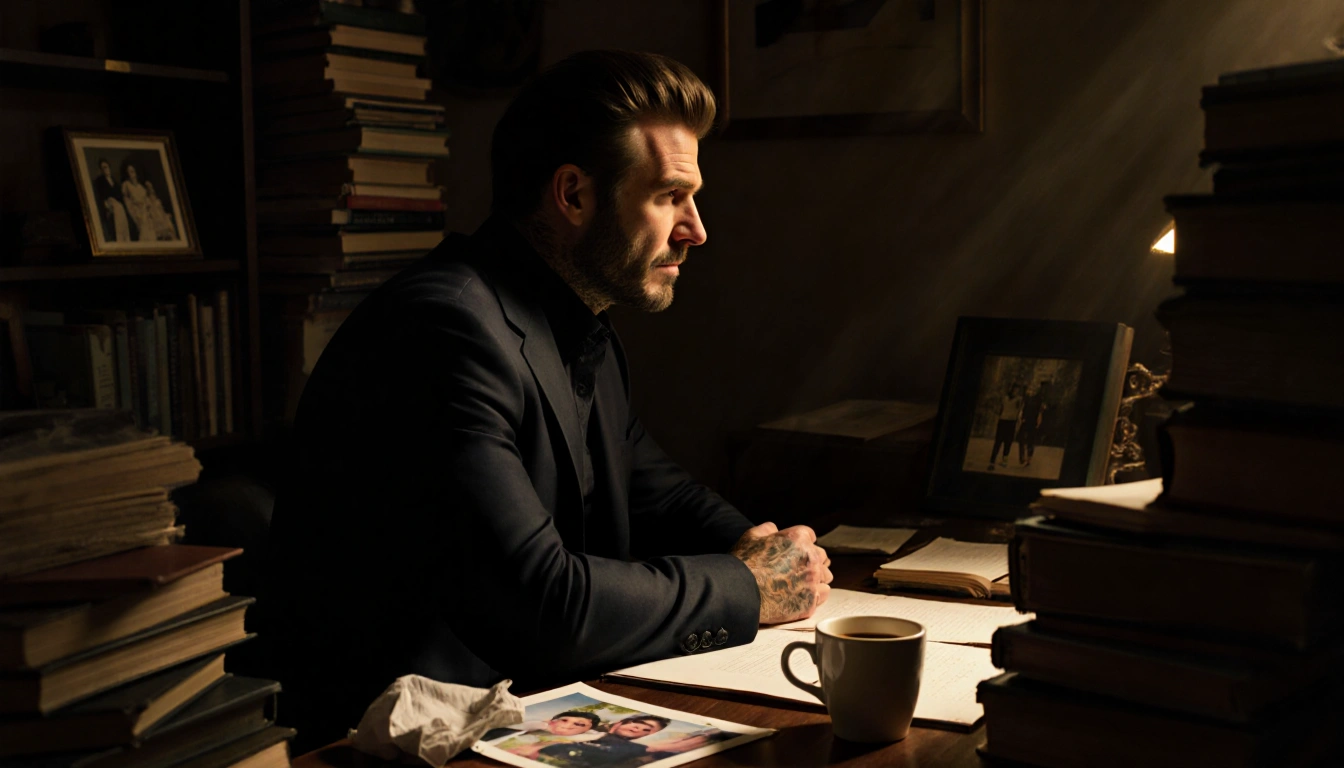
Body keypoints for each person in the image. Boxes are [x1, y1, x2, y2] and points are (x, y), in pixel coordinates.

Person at [266, 50, 832, 752]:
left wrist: (772, 553)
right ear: (573, 195)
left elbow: (659, 494)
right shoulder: (444, 329)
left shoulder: (580, 325)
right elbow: (543, 603)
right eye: (668, 196)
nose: (695, 229)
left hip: (515, 711)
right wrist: (748, 587)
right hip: (398, 744)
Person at [536, 715, 669, 768]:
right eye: (638, 723)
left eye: (647, 730)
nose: (638, 728)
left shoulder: (635, 749)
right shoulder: (587, 731)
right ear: (621, 722)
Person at [486, 711, 603, 758]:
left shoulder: (578, 741)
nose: (567, 726)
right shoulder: (534, 726)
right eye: (564, 720)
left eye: (579, 724)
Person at [91, 159, 130, 242]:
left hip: (117, 203)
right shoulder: (100, 181)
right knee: (117, 207)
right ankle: (119, 237)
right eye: (103, 168)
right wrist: (107, 202)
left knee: (120, 207)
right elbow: (101, 195)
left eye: (106, 167)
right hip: (108, 202)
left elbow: (119, 195)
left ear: (109, 168)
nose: (105, 169)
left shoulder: (114, 181)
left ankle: (124, 237)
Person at [988, 385, 1022, 470]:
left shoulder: (1016, 399)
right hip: (1005, 421)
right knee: (1000, 442)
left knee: (1006, 442)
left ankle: (1002, 460)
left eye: (1017, 390)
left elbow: (1018, 410)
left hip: (1009, 421)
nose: (1016, 392)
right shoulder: (1008, 398)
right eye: (1015, 390)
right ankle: (994, 461)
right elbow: (1001, 408)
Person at [1016, 381, 1049, 466]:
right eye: (1030, 389)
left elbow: (1040, 411)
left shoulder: (1038, 399)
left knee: (1030, 440)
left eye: (1032, 389)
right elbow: (1023, 408)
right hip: (1026, 420)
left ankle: (1028, 458)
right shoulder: (1027, 398)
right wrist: (1021, 418)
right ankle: (1022, 456)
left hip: (1033, 421)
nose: (1031, 391)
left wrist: (1038, 421)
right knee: (1021, 438)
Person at [119, 162, 153, 242]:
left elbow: (146, 200)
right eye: (128, 172)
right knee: (143, 224)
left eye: (132, 171)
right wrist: (134, 212)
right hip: (135, 211)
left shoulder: (140, 186)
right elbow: (126, 201)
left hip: (145, 210)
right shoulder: (126, 184)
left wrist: (148, 208)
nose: (131, 174)